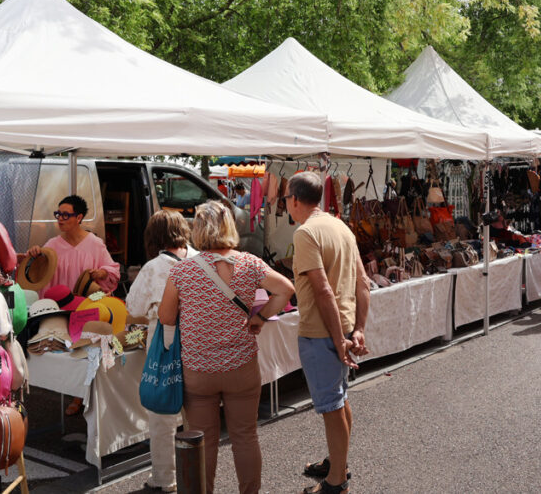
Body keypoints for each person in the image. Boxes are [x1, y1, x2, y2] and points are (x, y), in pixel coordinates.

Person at [158, 201, 294, 494]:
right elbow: (286, 289)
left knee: (203, 440)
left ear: (197, 229)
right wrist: (259, 317)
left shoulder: (182, 271)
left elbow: (166, 317)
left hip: (199, 369)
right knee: (245, 436)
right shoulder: (250, 263)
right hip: (241, 365)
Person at [287, 172, 371, 494]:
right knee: (340, 400)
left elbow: (323, 290)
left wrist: (339, 340)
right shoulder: (341, 226)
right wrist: (358, 329)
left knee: (333, 406)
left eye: (286, 199)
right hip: (342, 327)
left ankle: (337, 480)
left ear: (295, 199)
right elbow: (363, 283)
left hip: (322, 331)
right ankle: (338, 463)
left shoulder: (306, 232)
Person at [25, 194, 120, 415]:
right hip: (62, 307)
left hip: (85, 307)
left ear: (79, 217)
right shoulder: (52, 245)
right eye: (58, 214)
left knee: (83, 350)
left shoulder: (95, 244)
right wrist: (35, 255)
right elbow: (37, 272)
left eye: (66, 215)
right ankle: (73, 391)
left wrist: (102, 272)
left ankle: (81, 397)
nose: (60, 219)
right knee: (67, 352)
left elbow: (112, 270)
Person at [126, 210, 198, 493]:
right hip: (198, 343)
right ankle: (197, 475)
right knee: (197, 414)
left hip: (165, 345)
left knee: (162, 417)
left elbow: (133, 307)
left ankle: (164, 478)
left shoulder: (154, 267)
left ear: (153, 237)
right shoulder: (200, 259)